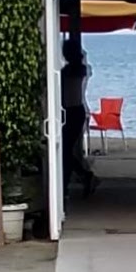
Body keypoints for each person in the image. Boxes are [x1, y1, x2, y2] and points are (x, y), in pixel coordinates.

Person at [60, 39, 97, 201]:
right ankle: (83, 176)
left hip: (72, 110)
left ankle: (69, 183)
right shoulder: (80, 69)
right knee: (66, 150)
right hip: (75, 110)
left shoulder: (72, 70)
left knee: (65, 150)